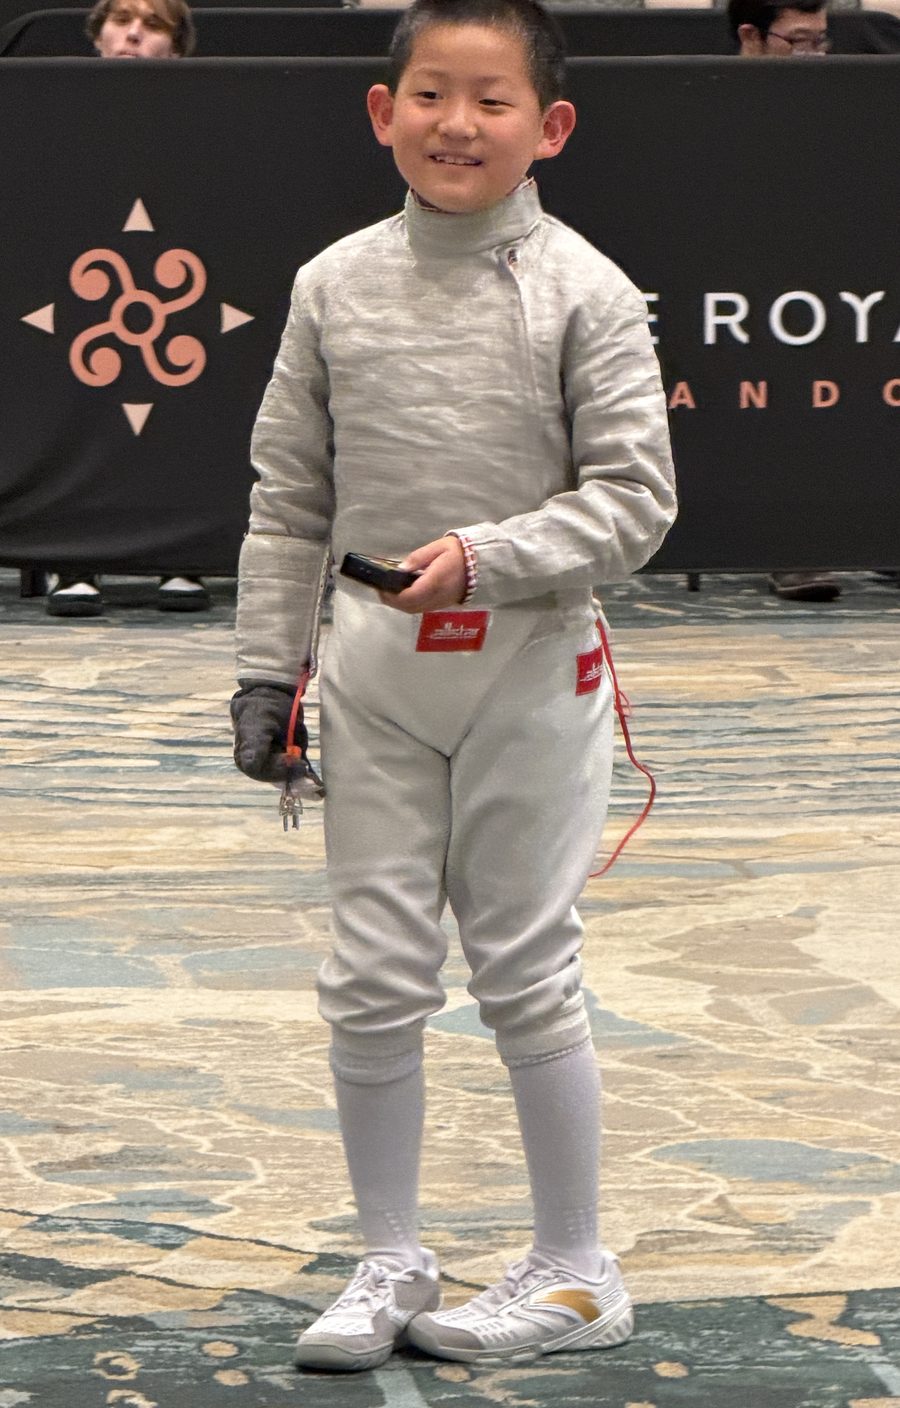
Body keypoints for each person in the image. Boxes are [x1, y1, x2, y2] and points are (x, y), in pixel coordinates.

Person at [231, 0, 676, 1371]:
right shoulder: (330, 284)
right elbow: (287, 499)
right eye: (431, 94)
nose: (456, 124)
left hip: (533, 672)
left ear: (548, 129)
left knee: (527, 971)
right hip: (371, 678)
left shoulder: (584, 290)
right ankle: (392, 1254)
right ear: (384, 113)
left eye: (492, 101)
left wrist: (485, 559)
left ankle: (576, 1269)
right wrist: (267, 669)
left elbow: (636, 502)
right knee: (369, 977)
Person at [45, 0, 204, 618]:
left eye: (153, 22)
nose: (133, 32)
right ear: (97, 31)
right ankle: (73, 560)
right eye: (120, 17)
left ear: (177, 43)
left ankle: (181, 559)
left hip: (174, 292)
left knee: (181, 413)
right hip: (83, 290)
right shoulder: (50, 104)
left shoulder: (203, 113)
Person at [727, 0, 841, 603]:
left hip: (830, 280)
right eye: (799, 41)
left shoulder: (846, 101)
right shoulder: (708, 103)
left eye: (821, 41)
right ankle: (791, 545)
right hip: (737, 284)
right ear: (752, 35)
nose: (814, 56)